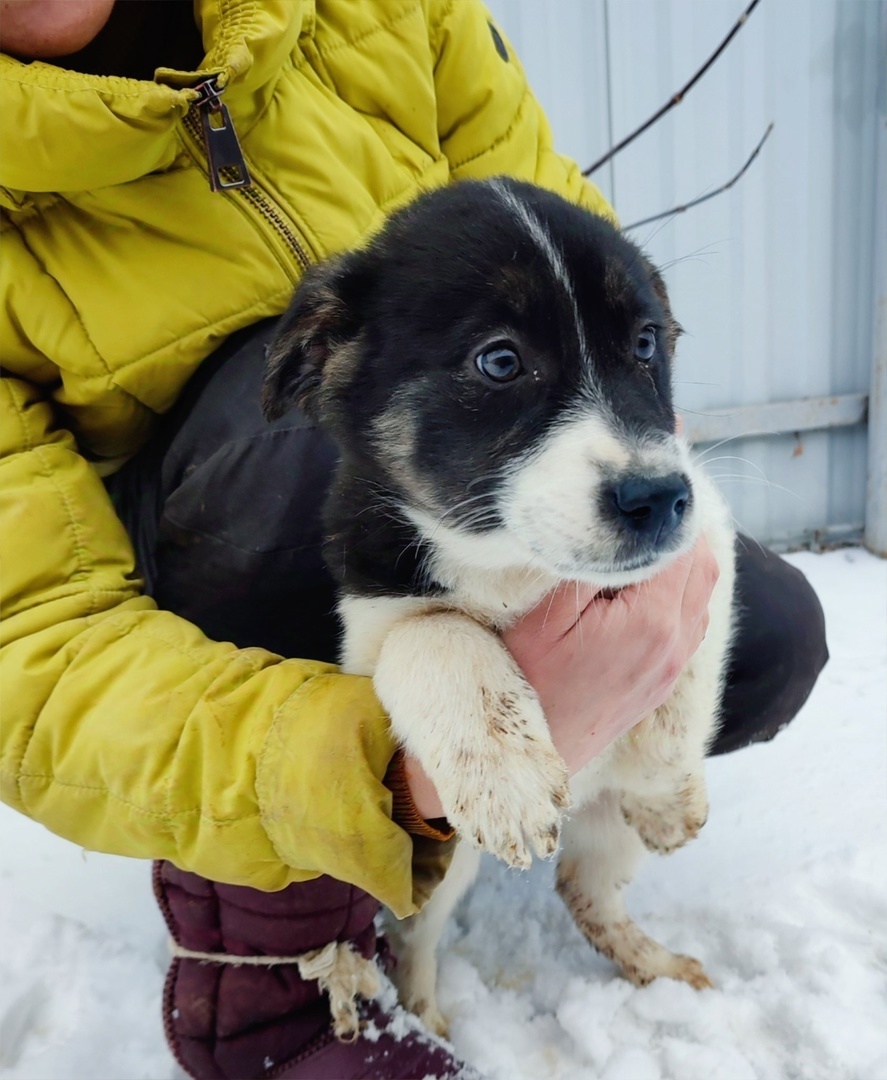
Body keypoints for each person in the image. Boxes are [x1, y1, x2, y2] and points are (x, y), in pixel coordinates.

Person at [0, 2, 828, 1077]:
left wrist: (638, 447)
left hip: (479, 497)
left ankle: (578, 835)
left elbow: (571, 237)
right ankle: (276, 961)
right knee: (312, 461)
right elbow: (32, 643)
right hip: (211, 580)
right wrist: (390, 774)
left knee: (765, 634)